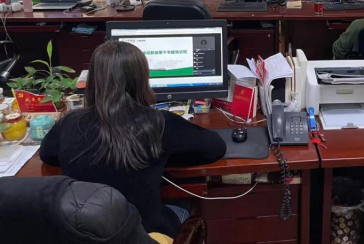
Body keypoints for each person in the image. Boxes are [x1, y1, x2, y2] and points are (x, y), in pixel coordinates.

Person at [40, 41, 226, 238]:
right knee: (186, 202)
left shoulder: (69, 123)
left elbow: (47, 154)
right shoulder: (158, 123)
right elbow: (215, 147)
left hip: (88, 235)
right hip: (144, 235)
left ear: (93, 79)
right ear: (141, 79)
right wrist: (164, 154)